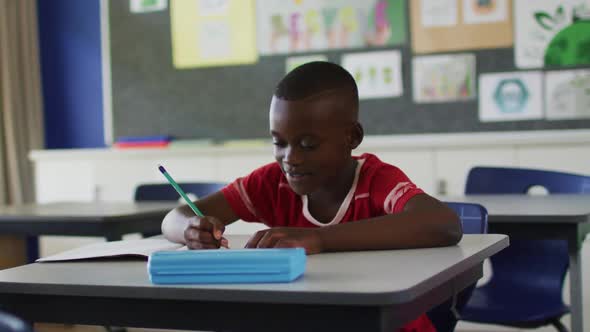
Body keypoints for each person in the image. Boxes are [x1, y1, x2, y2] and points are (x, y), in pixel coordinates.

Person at [161, 61, 462, 332]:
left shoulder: (375, 180)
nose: (290, 158)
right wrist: (191, 230)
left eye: (307, 144)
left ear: (352, 137)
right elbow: (175, 218)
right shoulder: (271, 183)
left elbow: (443, 223)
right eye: (279, 143)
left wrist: (318, 239)